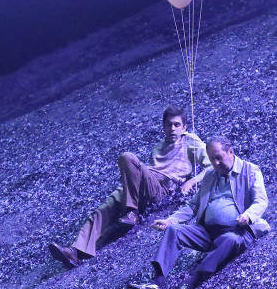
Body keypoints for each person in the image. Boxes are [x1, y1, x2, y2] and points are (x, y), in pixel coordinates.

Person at [49, 106, 210, 268]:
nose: (172, 129)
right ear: (163, 126)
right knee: (104, 208)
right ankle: (75, 252)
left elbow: (210, 166)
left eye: (176, 125)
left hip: (161, 190)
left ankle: (131, 212)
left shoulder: (190, 140)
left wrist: (192, 181)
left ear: (184, 127)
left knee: (127, 157)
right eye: (169, 125)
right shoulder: (158, 147)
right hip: (142, 185)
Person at [127, 136, 269, 289]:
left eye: (218, 157)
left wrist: (248, 215)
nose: (215, 163)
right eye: (211, 159)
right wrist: (170, 220)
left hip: (237, 231)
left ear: (230, 152)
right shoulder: (210, 175)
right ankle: (157, 283)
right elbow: (193, 205)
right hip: (206, 232)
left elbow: (261, 200)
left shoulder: (250, 171)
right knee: (174, 230)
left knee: (231, 240)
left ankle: (192, 280)